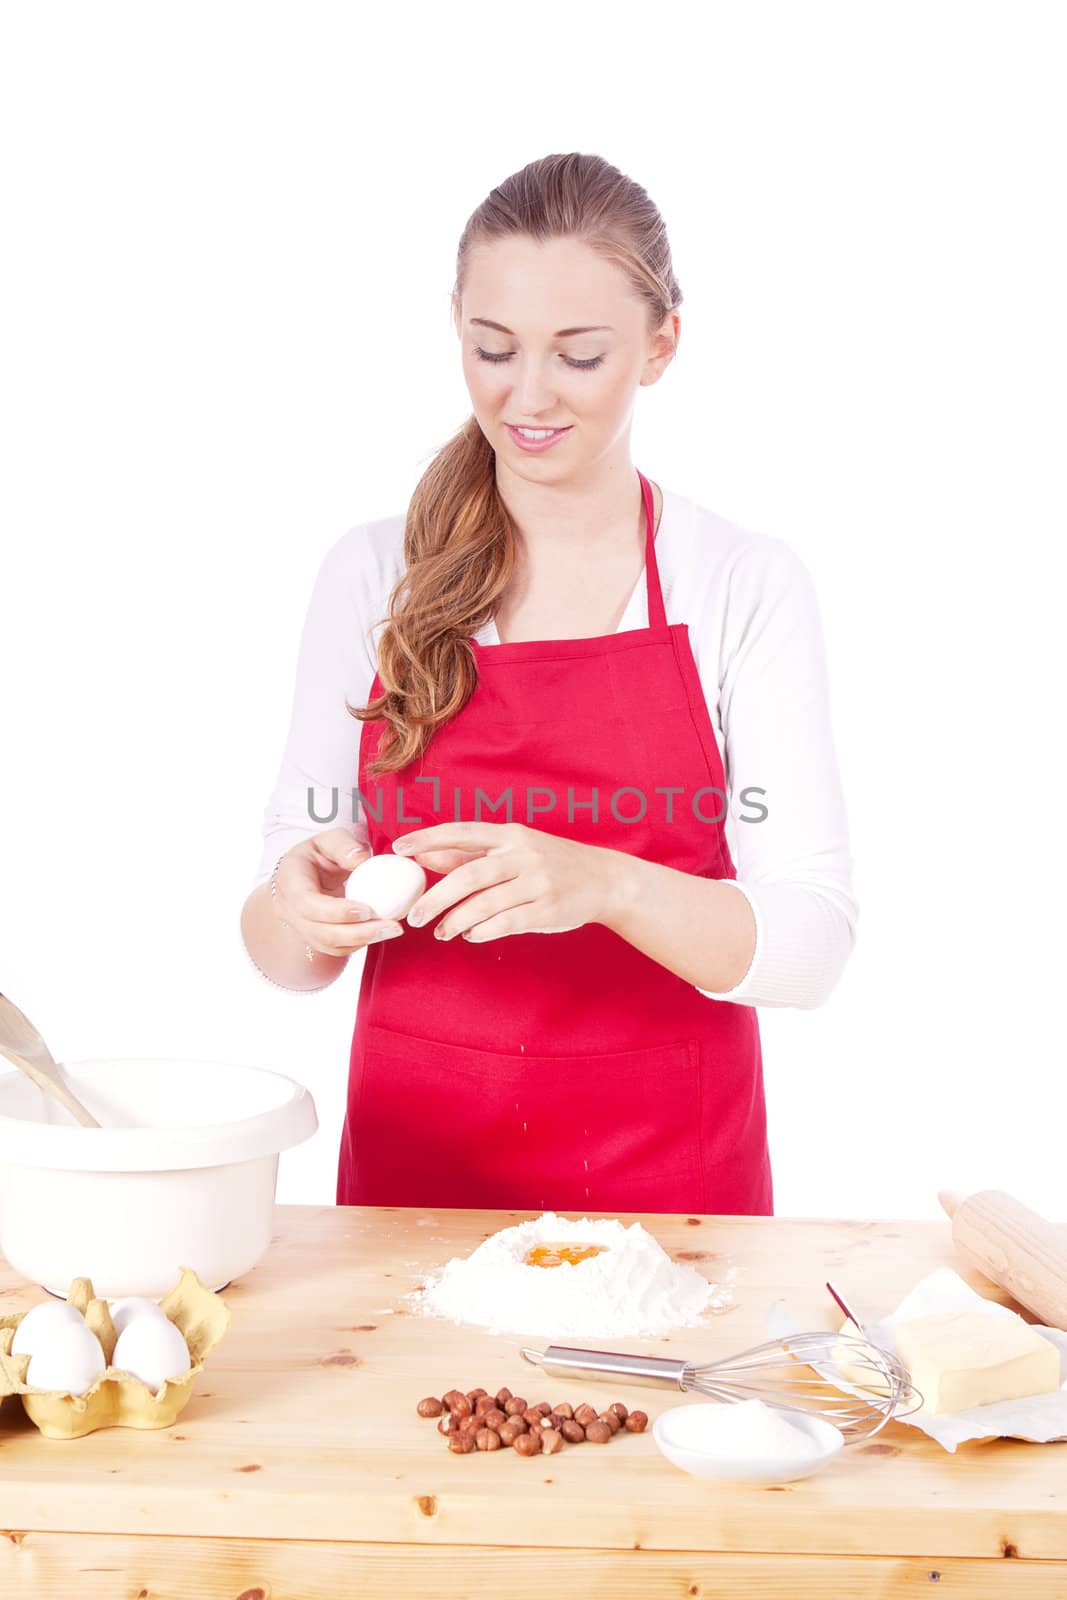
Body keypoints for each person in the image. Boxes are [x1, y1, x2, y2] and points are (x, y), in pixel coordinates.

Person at [239, 151, 858, 1216]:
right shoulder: (371, 574)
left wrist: (602, 883)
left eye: (577, 356)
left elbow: (810, 946)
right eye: (492, 348)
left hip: (672, 1192)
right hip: (413, 1191)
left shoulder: (739, 583)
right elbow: (284, 946)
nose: (526, 397)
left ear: (661, 344)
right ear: (457, 327)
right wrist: (306, 912)